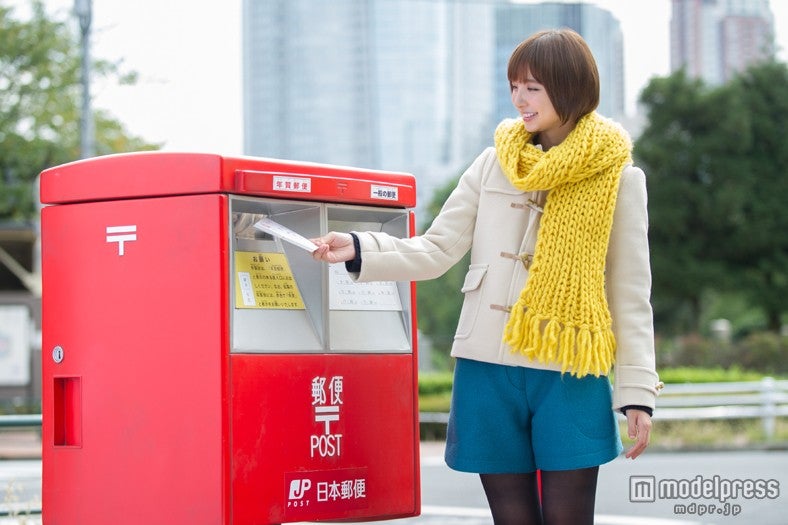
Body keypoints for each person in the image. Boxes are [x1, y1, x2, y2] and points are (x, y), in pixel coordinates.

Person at [311, 28, 662, 525]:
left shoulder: (621, 180)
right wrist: (361, 248)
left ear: (570, 89)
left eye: (533, 87)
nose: (519, 98)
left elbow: (629, 294)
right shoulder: (494, 161)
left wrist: (637, 394)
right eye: (514, 85)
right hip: (487, 365)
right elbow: (435, 250)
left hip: (569, 368)